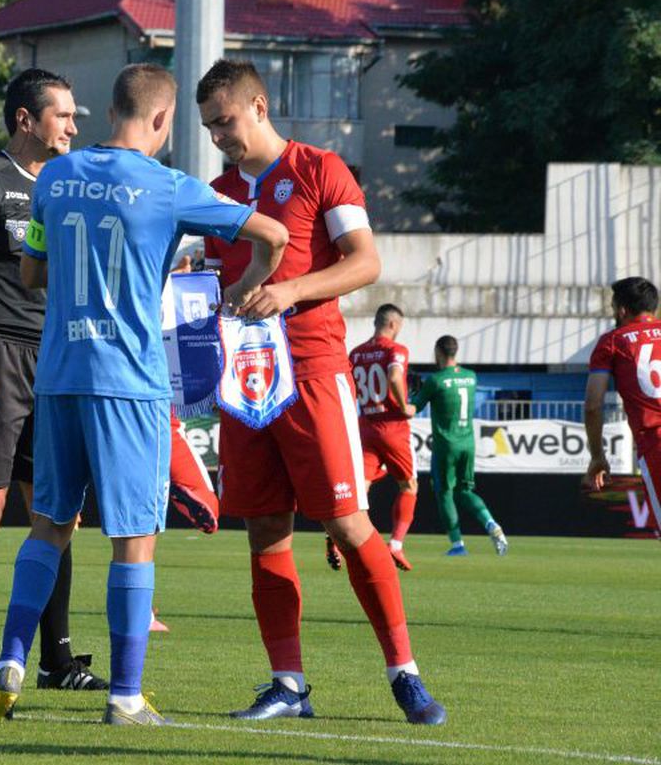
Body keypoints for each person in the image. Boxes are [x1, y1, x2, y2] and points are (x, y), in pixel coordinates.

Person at [0, 63, 289, 725]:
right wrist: (248, 287)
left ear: (107, 107)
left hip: (59, 375)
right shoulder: (172, 186)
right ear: (162, 119)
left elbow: (32, 271)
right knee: (134, 539)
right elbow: (275, 233)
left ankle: (9, 659)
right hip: (130, 383)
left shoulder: (55, 178)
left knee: (47, 527)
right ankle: (125, 695)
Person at [196, 58, 446, 725]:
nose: (219, 135)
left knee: (345, 520)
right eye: (210, 127)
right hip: (242, 380)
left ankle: (404, 670)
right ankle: (288, 683)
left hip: (312, 368)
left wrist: (289, 291)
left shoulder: (320, 168)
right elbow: (220, 286)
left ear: (259, 104)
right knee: (265, 528)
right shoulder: (216, 192)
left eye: (225, 121)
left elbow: (365, 261)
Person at [0, 68, 107, 694]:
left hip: (59, 358)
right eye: (62, 114)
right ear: (25, 120)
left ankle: (57, 662)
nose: (73, 125)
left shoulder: (73, 187)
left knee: (55, 510)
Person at [407, 336, 507, 556]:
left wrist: (408, 396)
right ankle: (491, 524)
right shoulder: (471, 377)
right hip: (468, 443)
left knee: (444, 492)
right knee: (465, 490)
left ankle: (457, 545)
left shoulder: (436, 380)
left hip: (446, 445)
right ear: (455, 351)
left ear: (438, 352)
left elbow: (411, 410)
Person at [584, 276, 661, 537]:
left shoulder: (613, 341)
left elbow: (593, 405)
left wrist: (597, 456)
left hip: (656, 444)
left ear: (622, 310)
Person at [348, 304, 418, 571]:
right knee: (409, 486)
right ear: (393, 325)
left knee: (361, 487)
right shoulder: (395, 350)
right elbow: (394, 374)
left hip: (365, 423)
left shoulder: (356, 353)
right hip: (392, 426)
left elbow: (349, 390)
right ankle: (396, 545)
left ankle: (340, 536)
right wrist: (404, 406)